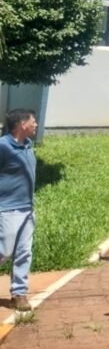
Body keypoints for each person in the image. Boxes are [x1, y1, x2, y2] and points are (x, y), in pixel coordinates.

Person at [0, 110, 39, 312]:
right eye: (33, 121)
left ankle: (19, 294)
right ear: (22, 124)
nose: (36, 125)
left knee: (24, 252)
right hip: (7, 208)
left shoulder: (28, 145)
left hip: (27, 209)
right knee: (4, 251)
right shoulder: (3, 146)